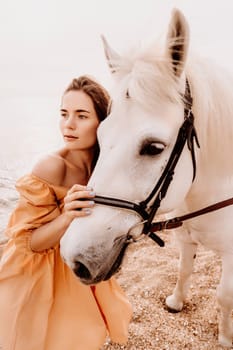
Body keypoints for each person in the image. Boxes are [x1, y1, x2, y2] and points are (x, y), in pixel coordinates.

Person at [0, 75, 132, 350]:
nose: (68, 125)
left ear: (102, 123)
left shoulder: (104, 166)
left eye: (81, 115)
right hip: (33, 272)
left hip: (75, 264)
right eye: (64, 114)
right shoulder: (51, 167)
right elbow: (29, 243)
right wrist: (67, 214)